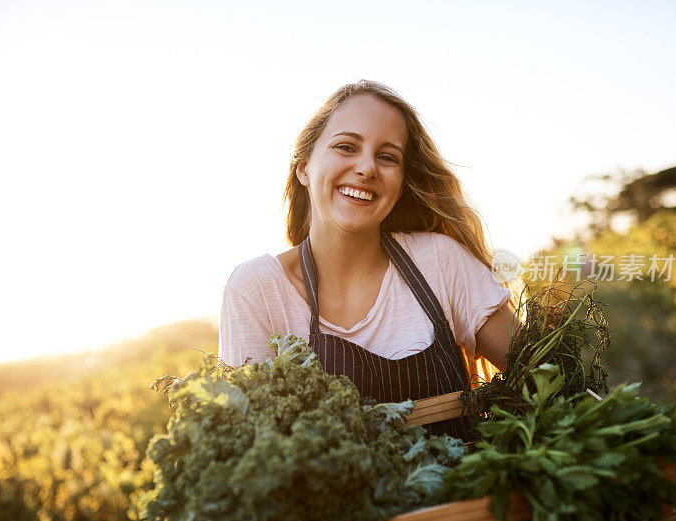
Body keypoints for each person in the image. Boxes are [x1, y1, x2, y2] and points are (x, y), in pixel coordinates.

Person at [218, 80, 519, 438]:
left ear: (401, 180)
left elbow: (545, 379)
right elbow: (249, 451)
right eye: (346, 147)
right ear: (303, 168)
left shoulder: (440, 261)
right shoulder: (257, 290)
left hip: (470, 495)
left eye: (387, 156)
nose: (367, 168)